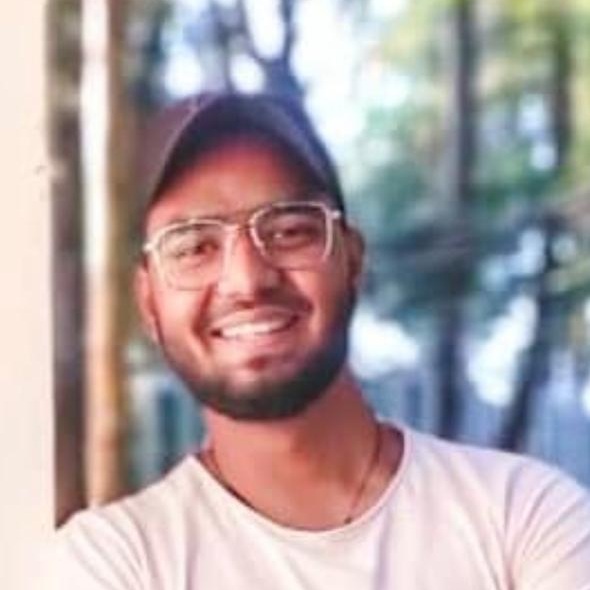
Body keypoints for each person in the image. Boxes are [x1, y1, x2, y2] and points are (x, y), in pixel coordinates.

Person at [56, 91, 590, 589]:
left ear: (352, 260)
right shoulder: (114, 564)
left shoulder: (522, 516)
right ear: (149, 302)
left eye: (289, 231)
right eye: (194, 246)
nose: (247, 280)